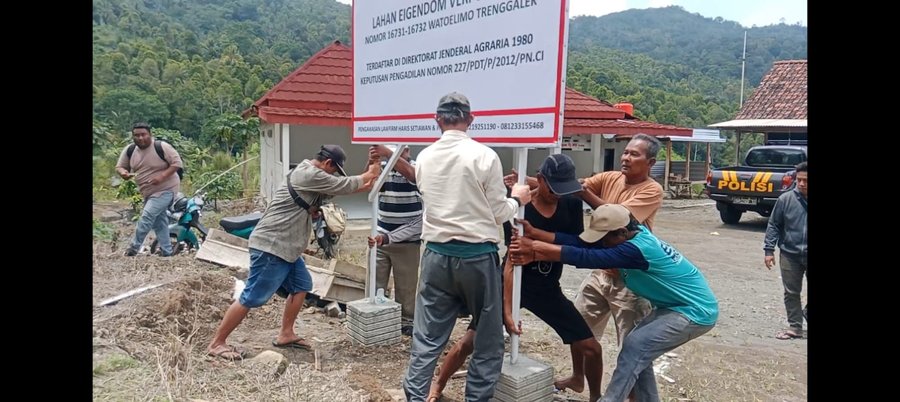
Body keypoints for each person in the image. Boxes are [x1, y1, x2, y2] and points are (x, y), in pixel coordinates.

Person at [427, 154, 605, 402]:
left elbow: (575, 245)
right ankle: (437, 385)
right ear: (540, 180)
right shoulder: (519, 206)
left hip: (547, 288)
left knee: (591, 348)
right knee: (470, 340)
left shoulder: (571, 205)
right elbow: (512, 262)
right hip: (509, 285)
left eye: (564, 190)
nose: (558, 195)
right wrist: (508, 313)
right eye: (554, 189)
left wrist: (536, 246)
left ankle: (594, 393)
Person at [509, 204, 719, 402]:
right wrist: (536, 234)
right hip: (671, 307)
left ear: (621, 232)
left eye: (605, 239)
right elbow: (583, 244)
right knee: (639, 351)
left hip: (693, 312)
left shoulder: (637, 249)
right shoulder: (630, 234)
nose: (602, 243)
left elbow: (585, 257)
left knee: (635, 346)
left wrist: (535, 248)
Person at [505, 133, 662, 395]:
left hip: (629, 278)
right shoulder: (610, 177)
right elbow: (569, 187)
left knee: (633, 347)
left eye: (634, 154)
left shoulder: (651, 190)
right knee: (581, 329)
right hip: (601, 271)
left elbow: (620, 219)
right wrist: (529, 183)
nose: (625, 157)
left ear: (651, 162)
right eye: (625, 152)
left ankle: (635, 397)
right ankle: (579, 378)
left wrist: (583, 193)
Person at [402, 92, 532, 402]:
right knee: (487, 341)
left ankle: (415, 397)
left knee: (427, 339)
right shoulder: (485, 156)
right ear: (471, 120)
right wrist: (518, 198)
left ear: (437, 121)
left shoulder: (424, 159)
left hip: (435, 256)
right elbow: (500, 212)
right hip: (476, 258)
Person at [206, 145, 380, 360]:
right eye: (334, 171)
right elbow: (344, 184)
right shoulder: (309, 174)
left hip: (287, 248)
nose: (332, 175)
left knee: (301, 286)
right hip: (272, 245)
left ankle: (286, 333)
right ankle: (217, 343)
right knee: (252, 296)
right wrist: (372, 171)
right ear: (327, 164)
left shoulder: (310, 175)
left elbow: (349, 187)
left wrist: (371, 171)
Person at [367, 144, 423, 336]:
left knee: (406, 287)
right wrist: (373, 162)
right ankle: (378, 318)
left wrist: (390, 154)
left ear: (407, 151)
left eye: (401, 151)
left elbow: (412, 175)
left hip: (408, 242)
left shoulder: (418, 167)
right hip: (380, 237)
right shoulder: (384, 168)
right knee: (375, 282)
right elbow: (370, 185)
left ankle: (406, 321)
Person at [116, 122, 184, 257]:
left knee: (147, 216)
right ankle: (167, 251)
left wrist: (161, 177)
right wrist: (123, 173)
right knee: (160, 221)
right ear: (132, 136)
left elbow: (177, 164)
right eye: (136, 135)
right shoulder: (130, 150)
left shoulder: (162, 147)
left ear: (150, 134)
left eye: (143, 135)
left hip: (167, 189)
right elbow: (120, 167)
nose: (140, 138)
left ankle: (133, 248)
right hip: (147, 191)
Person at [764, 161, 807, 340]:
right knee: (791, 292)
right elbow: (774, 224)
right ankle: (795, 327)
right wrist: (768, 250)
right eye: (800, 180)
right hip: (790, 253)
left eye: (806, 180)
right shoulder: (786, 199)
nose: (803, 184)